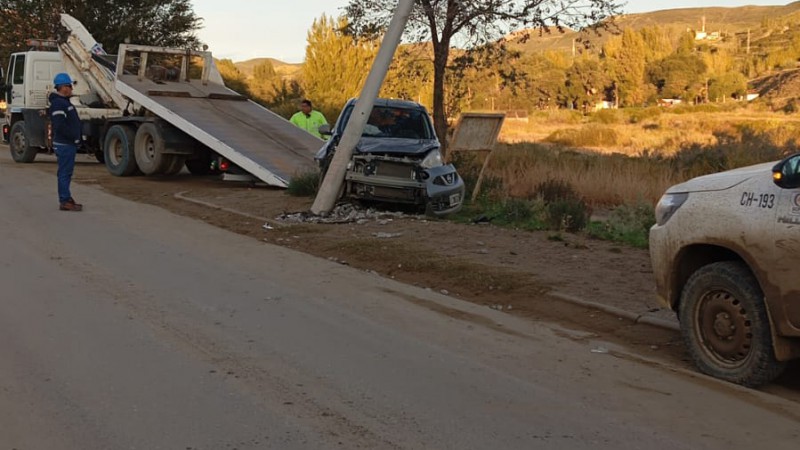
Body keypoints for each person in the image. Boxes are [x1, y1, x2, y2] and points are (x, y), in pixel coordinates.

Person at [50, 73, 83, 212]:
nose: (71, 88)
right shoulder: (58, 104)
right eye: (69, 86)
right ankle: (64, 200)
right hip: (65, 144)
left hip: (67, 143)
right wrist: (73, 138)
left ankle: (66, 198)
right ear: (62, 87)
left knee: (66, 173)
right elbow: (60, 125)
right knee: (64, 173)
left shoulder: (63, 102)